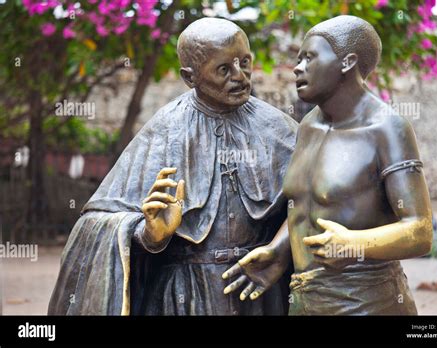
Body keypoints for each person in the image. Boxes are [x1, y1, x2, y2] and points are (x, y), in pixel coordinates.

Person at [48, 18, 297, 315]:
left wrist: (280, 251)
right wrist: (149, 234)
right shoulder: (166, 129)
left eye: (245, 62)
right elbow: (97, 222)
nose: (240, 76)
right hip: (184, 297)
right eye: (223, 69)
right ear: (189, 77)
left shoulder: (279, 128)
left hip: (259, 292)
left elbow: (313, 203)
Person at [228, 15, 433, 315]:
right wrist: (279, 250)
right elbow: (305, 204)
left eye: (309, 58)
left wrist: (355, 245)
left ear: (347, 62)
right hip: (305, 302)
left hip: (368, 304)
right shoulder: (308, 126)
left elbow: (420, 231)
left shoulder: (388, 129)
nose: (297, 68)